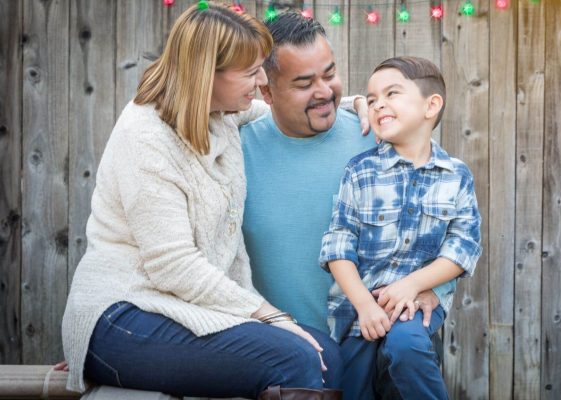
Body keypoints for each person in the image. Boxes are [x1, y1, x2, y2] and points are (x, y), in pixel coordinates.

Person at [60, 3, 342, 399]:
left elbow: (286, 105)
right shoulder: (147, 139)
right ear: (207, 75)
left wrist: (363, 103)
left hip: (183, 310)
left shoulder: (221, 112)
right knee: (296, 359)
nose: (261, 80)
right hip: (123, 317)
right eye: (250, 73)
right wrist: (270, 315)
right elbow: (173, 266)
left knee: (327, 353)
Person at [241, 13, 445, 400]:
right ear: (266, 92)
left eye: (329, 74)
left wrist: (437, 287)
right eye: (304, 83)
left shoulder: (379, 136)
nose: (324, 91)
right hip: (292, 366)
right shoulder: (236, 152)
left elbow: (443, 217)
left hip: (384, 345)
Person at [319, 56, 482, 400]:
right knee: (352, 385)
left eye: (392, 94)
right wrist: (364, 304)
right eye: (373, 98)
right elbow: (338, 245)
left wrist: (413, 285)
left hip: (417, 302)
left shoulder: (455, 175)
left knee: (407, 347)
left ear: (431, 105)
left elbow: (462, 248)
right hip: (358, 310)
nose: (379, 105)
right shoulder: (360, 171)